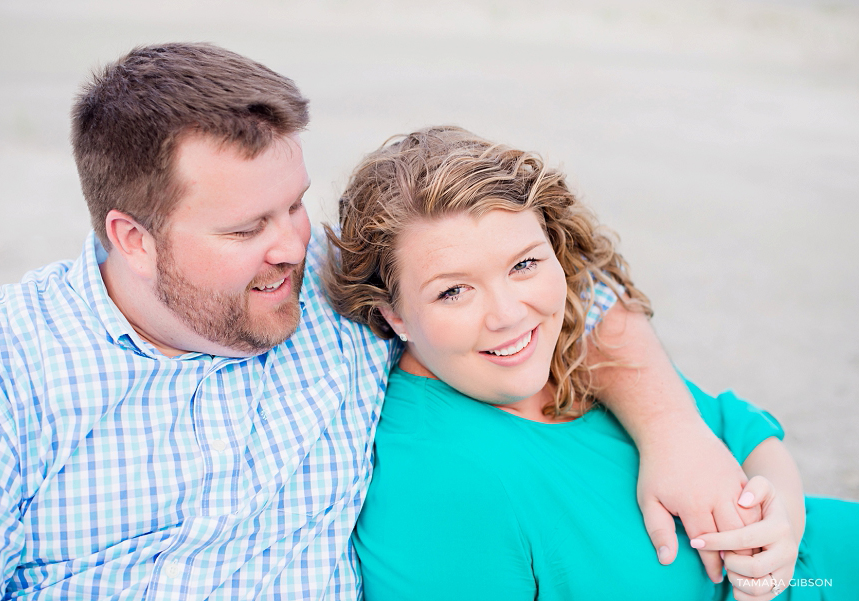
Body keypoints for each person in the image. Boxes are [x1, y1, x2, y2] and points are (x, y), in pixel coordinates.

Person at [0, 43, 765, 599]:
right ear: (132, 239)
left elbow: (571, 300)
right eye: (245, 229)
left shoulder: (329, 289)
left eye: (294, 204)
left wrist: (676, 433)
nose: (290, 246)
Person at [324, 125, 859, 600]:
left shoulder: (579, 344)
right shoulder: (441, 483)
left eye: (525, 264)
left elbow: (742, 430)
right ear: (394, 316)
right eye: (454, 292)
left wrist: (781, 526)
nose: (510, 315)